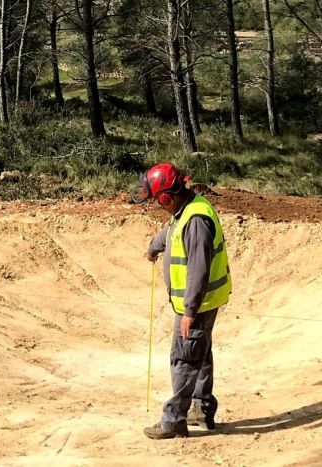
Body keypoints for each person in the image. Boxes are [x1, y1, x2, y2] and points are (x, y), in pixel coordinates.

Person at [137, 162, 232, 439]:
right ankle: (201, 410)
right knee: (199, 354)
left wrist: (189, 311)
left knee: (185, 358)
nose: (159, 205)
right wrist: (154, 246)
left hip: (197, 305)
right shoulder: (187, 209)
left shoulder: (196, 221)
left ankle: (174, 419)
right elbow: (172, 232)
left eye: (158, 201)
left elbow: (198, 271)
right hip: (200, 303)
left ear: (166, 197)